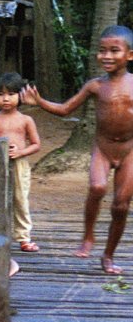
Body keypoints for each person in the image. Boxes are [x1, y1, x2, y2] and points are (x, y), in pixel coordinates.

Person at [22, 25, 133, 275]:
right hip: (103, 149)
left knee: (121, 206)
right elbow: (65, 109)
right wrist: (39, 102)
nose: (106, 56)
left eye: (114, 50)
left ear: (130, 55)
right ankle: (88, 235)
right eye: (102, 50)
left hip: (129, 152)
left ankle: (108, 256)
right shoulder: (94, 86)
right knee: (96, 187)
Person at [0, 72, 42, 252]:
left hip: (19, 165)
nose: (6, 99)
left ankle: (23, 237)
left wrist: (21, 152)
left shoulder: (25, 120)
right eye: (1, 94)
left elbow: (36, 144)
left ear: (20, 96)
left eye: (11, 94)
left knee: (20, 199)